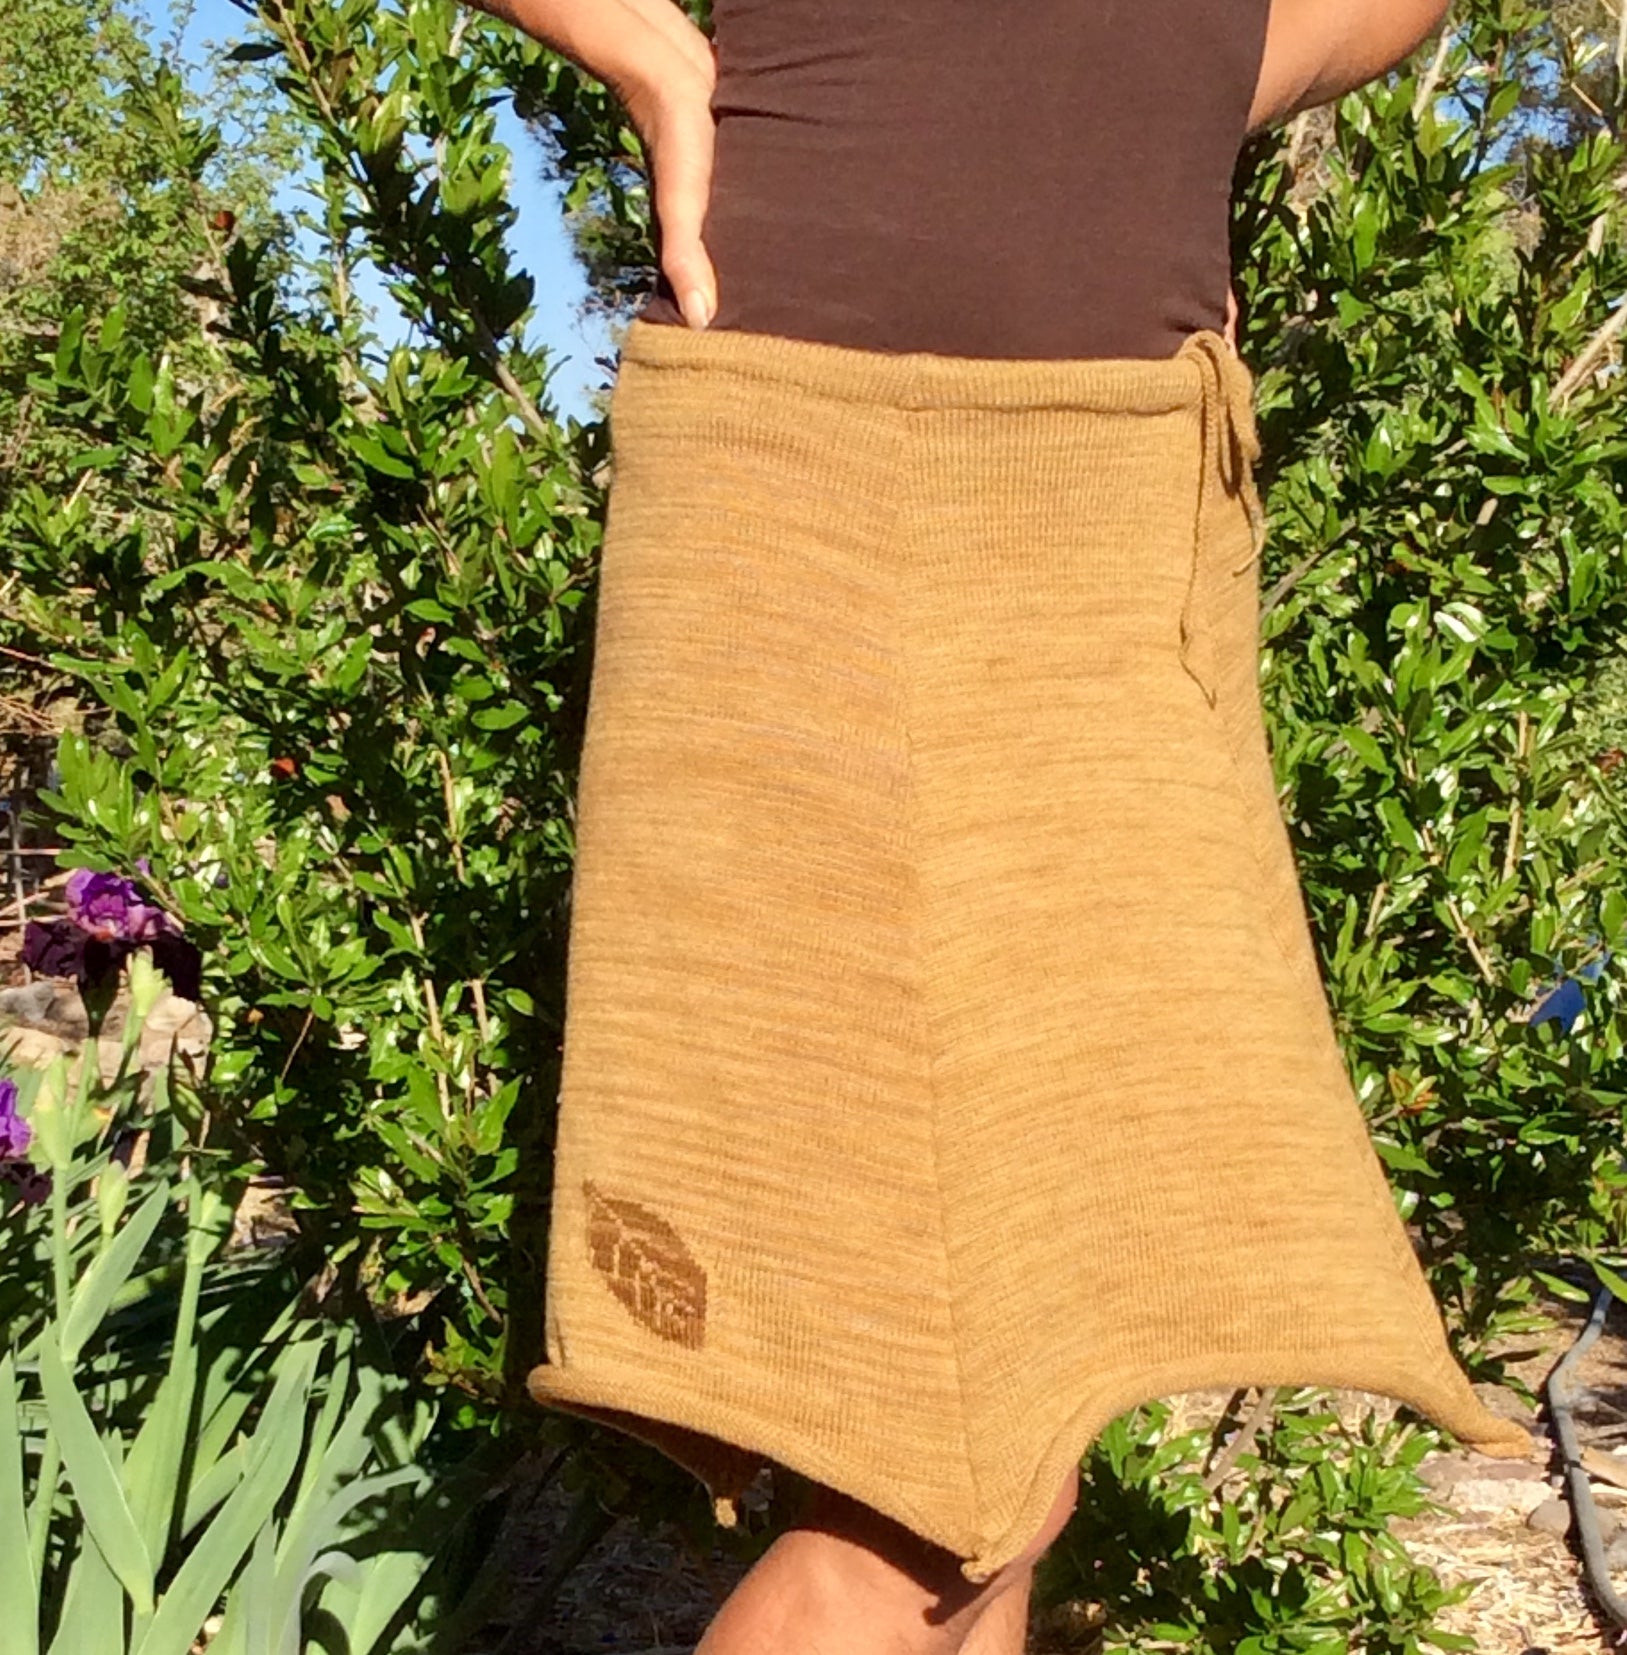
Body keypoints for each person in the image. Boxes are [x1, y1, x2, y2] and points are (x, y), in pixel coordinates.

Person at [458, 3, 1541, 1652]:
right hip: (824, 450)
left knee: (1038, 1398)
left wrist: (1188, 77)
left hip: (1113, 478)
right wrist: (643, 50)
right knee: (915, 1495)